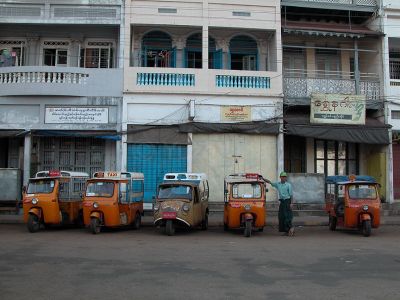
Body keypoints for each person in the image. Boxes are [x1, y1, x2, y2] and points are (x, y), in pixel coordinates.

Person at [263, 171, 295, 236]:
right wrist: (263, 178)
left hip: (287, 201)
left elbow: (291, 195)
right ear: (280, 177)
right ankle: (286, 231)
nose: (284, 178)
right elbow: (270, 182)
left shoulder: (288, 185)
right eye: (283, 177)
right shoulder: (278, 184)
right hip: (282, 202)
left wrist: (291, 203)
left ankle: (291, 228)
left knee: (287, 216)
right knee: (281, 216)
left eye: (285, 177)